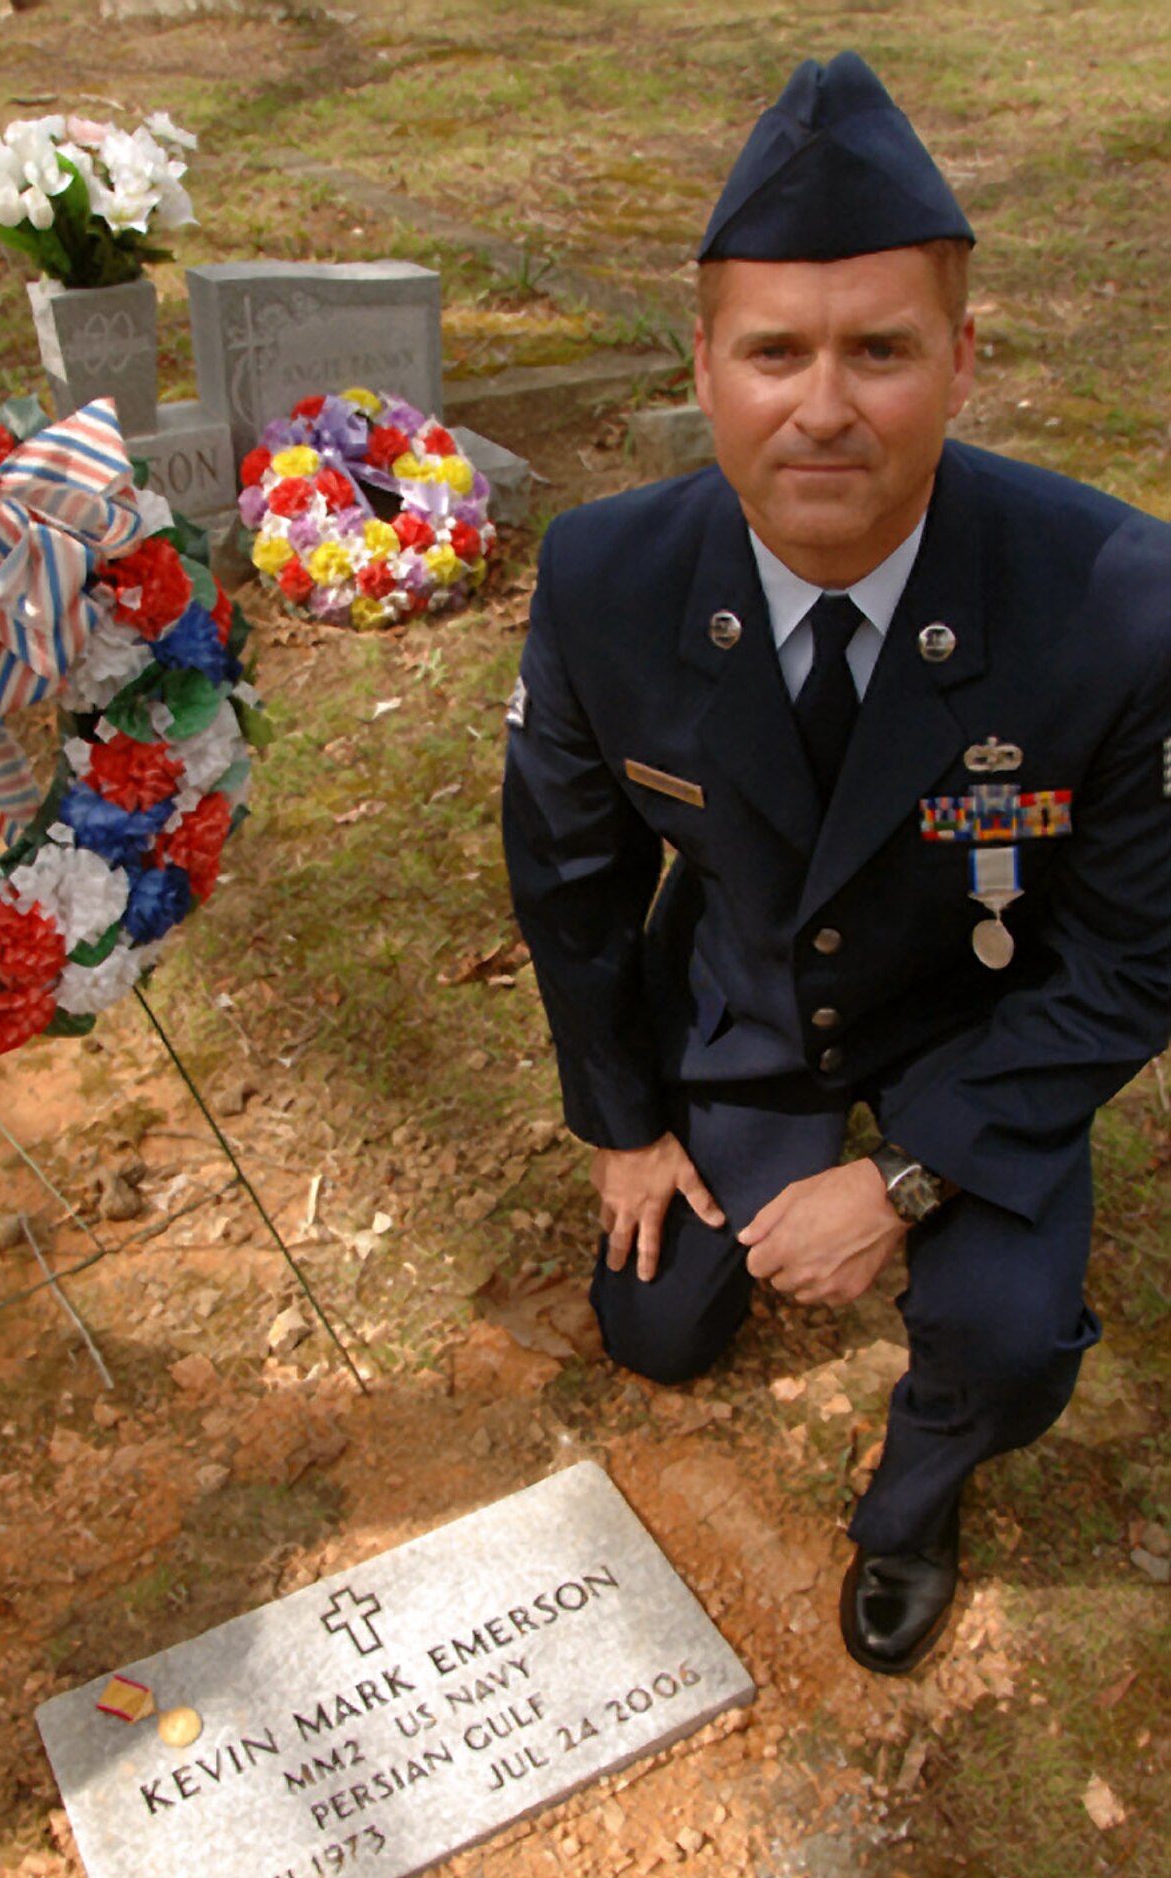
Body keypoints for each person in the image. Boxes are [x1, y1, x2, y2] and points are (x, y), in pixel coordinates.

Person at [501, 52, 1171, 1675]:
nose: (823, 406)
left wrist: (911, 1178)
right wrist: (627, 1121)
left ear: (961, 357)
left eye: (879, 350)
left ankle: (915, 1499)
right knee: (655, 1331)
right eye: (775, 352)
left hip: (981, 1019)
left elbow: (1140, 956)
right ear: (706, 363)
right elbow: (571, 873)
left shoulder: (1117, 598)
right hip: (742, 993)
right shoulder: (602, 575)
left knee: (1007, 1341)